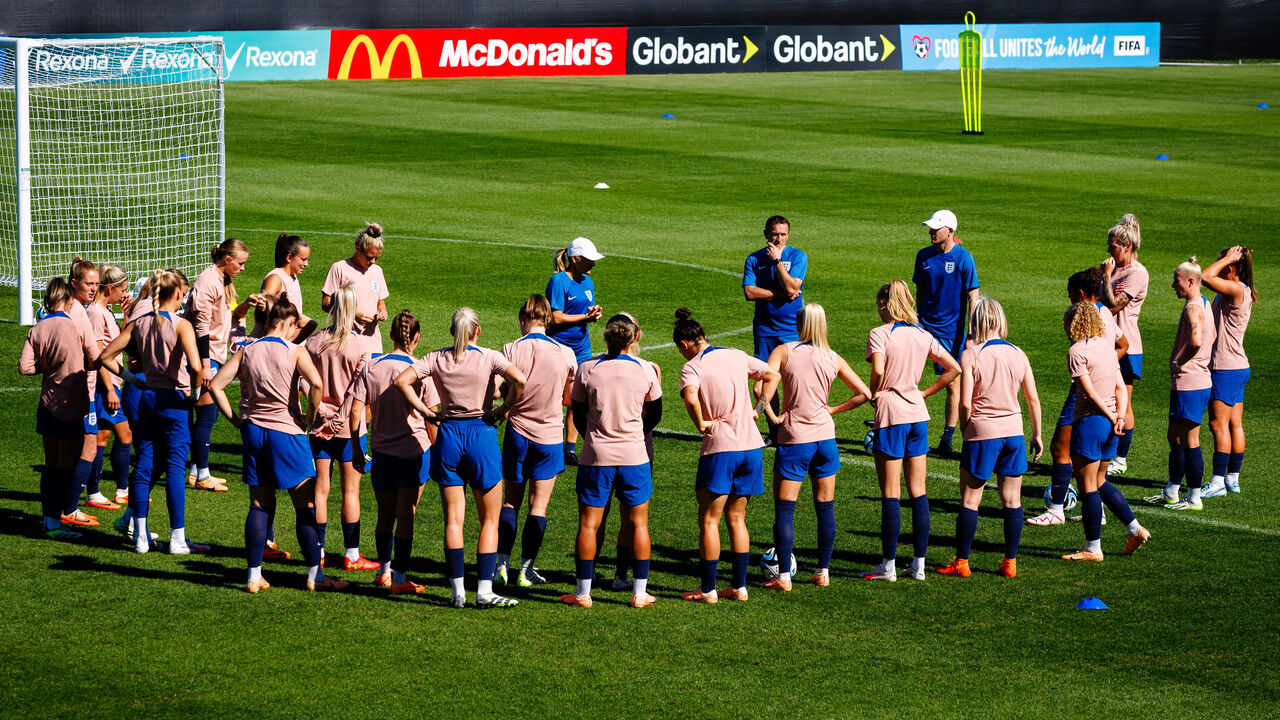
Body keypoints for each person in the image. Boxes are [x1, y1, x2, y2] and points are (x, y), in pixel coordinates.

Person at [208, 297, 346, 592]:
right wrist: (309, 416)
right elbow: (317, 385)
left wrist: (235, 420)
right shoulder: (295, 350)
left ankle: (254, 576)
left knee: (258, 504)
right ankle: (314, 577)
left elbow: (216, 385)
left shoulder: (247, 349)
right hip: (287, 433)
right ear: (291, 323)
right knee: (305, 505)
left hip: (254, 432)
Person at [394, 307, 527, 609]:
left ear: (452, 331)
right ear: (477, 330)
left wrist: (426, 411)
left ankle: (458, 594)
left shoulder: (436, 358)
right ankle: (484, 590)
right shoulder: (489, 357)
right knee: (489, 521)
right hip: (481, 435)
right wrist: (504, 409)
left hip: (449, 436)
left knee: (453, 519)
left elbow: (402, 381)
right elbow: (519, 381)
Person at [760, 303, 870, 589]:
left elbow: (763, 386)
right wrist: (832, 410)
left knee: (785, 511)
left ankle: (783, 576)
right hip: (825, 439)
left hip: (795, 439)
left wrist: (772, 416)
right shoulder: (832, 357)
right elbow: (864, 393)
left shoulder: (784, 351)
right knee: (825, 508)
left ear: (799, 325)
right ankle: (823, 571)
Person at [674, 308, 780, 603]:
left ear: (684, 345)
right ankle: (739, 587)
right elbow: (773, 374)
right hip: (751, 446)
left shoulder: (692, 367)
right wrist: (759, 409)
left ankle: (708, 589)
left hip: (720, 447)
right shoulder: (735, 354)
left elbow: (692, 397)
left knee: (709, 520)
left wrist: (700, 423)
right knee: (738, 519)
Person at [99, 270, 208, 554]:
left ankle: (141, 537)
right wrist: (194, 396)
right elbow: (196, 368)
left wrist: (135, 380)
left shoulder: (139, 323)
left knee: (144, 464)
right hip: (173, 400)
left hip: (146, 398)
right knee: (173, 467)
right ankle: (177, 538)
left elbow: (105, 357)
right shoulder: (181, 324)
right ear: (177, 294)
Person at [559, 315, 663, 608]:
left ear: (606, 338)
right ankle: (639, 593)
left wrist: (593, 435)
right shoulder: (646, 369)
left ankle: (582, 593)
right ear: (633, 339)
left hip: (596, 457)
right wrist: (634, 434)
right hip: (634, 457)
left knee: (589, 524)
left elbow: (577, 412)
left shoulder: (588, 368)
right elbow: (654, 414)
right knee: (639, 524)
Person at [862, 281, 961, 582]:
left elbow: (878, 370)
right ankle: (918, 565)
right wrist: (924, 393)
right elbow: (954, 368)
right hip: (917, 415)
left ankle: (888, 566)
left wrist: (875, 391)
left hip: (891, 413)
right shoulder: (923, 334)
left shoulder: (880, 334)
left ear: (884, 303)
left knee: (890, 493)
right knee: (919, 493)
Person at [937, 297, 1042, 579]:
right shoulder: (1019, 353)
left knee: (970, 501)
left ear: (976, 322)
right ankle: (1010, 562)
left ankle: (962, 562)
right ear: (1000, 321)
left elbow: (965, 402)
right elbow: (1032, 398)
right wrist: (1037, 434)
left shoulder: (971, 354)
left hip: (982, 433)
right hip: (1014, 434)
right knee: (1012, 501)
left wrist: (964, 427)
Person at [1028, 268, 1128, 526]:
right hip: (1106, 392)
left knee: (1060, 448)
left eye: (1071, 294)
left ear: (1081, 294)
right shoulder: (1106, 311)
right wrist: (1106, 367)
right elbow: (1123, 345)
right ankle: (1103, 513)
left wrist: (1092, 369)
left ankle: (1056, 509)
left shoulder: (1086, 320)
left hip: (1085, 393)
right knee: (1098, 468)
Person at [348, 310, 437, 593]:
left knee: (385, 514)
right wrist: (438, 453)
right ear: (417, 337)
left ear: (390, 336)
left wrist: (356, 448)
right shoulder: (420, 369)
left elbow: (355, 411)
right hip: (413, 452)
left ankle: (384, 572)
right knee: (406, 515)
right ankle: (400, 579)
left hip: (382, 452)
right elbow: (431, 418)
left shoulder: (372, 365)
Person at [495, 295, 577, 588]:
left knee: (509, 502)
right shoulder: (566, 353)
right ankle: (527, 570)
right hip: (550, 436)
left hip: (517, 432)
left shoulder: (510, 349)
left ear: (522, 320)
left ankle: (501, 565)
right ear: (548, 320)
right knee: (538, 506)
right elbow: (570, 399)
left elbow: (497, 391)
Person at [1060, 301, 1150, 561]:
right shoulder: (1108, 349)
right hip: (1112, 427)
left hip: (1090, 423)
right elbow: (1120, 389)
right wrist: (1119, 417)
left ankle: (1092, 548)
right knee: (1101, 481)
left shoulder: (1077, 351)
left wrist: (1110, 415)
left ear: (1075, 323)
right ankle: (1135, 529)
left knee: (1087, 485)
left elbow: (1088, 391)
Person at [19, 278, 100, 540]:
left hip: (47, 405)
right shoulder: (75, 325)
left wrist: (48, 367)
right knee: (66, 466)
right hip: (71, 405)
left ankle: (49, 520)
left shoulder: (38, 329)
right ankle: (58, 521)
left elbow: (25, 368)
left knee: (50, 464)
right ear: (67, 300)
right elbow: (94, 359)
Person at [304, 284, 377, 570]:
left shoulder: (314, 342)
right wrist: (339, 419)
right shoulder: (362, 346)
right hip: (350, 430)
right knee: (351, 492)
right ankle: (351, 555)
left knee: (320, 491)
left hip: (318, 427)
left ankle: (319, 553)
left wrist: (322, 412)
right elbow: (358, 392)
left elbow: (303, 381)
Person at [1145, 258, 1217, 510]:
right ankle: (1172, 491)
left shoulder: (1192, 309)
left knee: (1190, 440)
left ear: (1190, 281)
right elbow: (1212, 335)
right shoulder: (1204, 304)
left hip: (1191, 383)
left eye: (1176, 281)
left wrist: (1179, 362)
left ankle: (1194, 497)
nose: (1172, 286)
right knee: (1174, 437)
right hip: (1190, 382)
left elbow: (1196, 341)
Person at [187, 238, 259, 492]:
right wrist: (205, 365)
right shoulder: (208, 281)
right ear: (227, 260)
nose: (243, 267)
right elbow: (201, 326)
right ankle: (201, 474)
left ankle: (196, 471)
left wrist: (247, 304)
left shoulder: (222, 280)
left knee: (204, 413)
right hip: (202, 356)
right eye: (240, 263)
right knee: (206, 413)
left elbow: (225, 316)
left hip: (213, 354)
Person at [913, 210, 979, 455]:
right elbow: (919, 291)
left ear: (949, 231)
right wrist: (917, 321)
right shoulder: (923, 256)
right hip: (923, 329)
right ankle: (904, 428)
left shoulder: (964, 259)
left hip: (952, 334)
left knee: (953, 384)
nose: (931, 232)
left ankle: (948, 438)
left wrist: (971, 335)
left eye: (935, 229)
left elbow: (974, 297)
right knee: (908, 377)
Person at [742, 215, 807, 444]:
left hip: (792, 329)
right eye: (774, 234)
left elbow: (793, 286)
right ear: (765, 234)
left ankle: (794, 428)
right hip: (765, 330)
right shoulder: (754, 259)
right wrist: (781, 295)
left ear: (788, 235)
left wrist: (777, 262)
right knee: (761, 384)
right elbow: (750, 292)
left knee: (793, 381)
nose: (778, 239)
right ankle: (775, 430)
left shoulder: (798, 256)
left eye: (783, 234)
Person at [1201, 246, 1255, 497]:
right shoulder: (1235, 290)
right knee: (1234, 424)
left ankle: (1217, 481)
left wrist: (1227, 258)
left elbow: (1204, 277)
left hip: (1225, 367)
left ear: (1230, 268)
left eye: (1220, 263)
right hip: (1236, 366)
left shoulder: (1235, 289)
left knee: (1217, 424)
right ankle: (1232, 478)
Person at [545, 237, 604, 466]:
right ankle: (551, 442)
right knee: (557, 397)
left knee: (577, 398)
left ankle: (569, 449)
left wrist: (593, 313)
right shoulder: (558, 281)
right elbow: (555, 317)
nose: (593, 264)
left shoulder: (587, 281)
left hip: (581, 347)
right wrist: (585, 317)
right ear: (575, 259)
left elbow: (585, 309)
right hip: (558, 348)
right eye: (589, 259)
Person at [1100, 215, 1146, 475]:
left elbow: (1114, 304)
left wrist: (1106, 276)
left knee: (1123, 402)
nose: (1109, 250)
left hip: (1126, 345)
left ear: (1127, 247)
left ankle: (1121, 457)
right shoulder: (1114, 268)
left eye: (1113, 246)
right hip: (1106, 341)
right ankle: (1108, 451)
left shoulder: (1137, 273)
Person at [85, 264, 132, 510]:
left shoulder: (106, 311)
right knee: (122, 435)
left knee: (104, 437)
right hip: (106, 386)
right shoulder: (95, 313)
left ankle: (111, 491)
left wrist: (125, 316)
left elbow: (116, 345)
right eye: (122, 290)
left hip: (113, 383)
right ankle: (102, 492)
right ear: (110, 288)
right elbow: (99, 355)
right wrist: (110, 389)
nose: (124, 294)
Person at [64, 257, 104, 525]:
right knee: (88, 446)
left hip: (66, 389)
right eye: (89, 283)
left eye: (97, 284)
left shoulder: (68, 306)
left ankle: (62, 507)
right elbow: (94, 356)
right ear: (74, 282)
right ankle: (68, 509)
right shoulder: (79, 313)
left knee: (69, 450)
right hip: (82, 390)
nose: (93, 289)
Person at [322, 222, 389, 356]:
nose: (373, 261)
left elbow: (380, 302)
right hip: (345, 341)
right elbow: (325, 304)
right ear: (358, 249)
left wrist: (382, 311)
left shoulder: (377, 271)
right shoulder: (339, 268)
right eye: (369, 257)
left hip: (372, 341)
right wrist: (352, 314)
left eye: (377, 258)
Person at [260, 232, 318, 342]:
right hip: (277, 341)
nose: (306, 264)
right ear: (289, 258)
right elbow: (263, 309)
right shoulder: (275, 278)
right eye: (303, 259)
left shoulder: (292, 277)